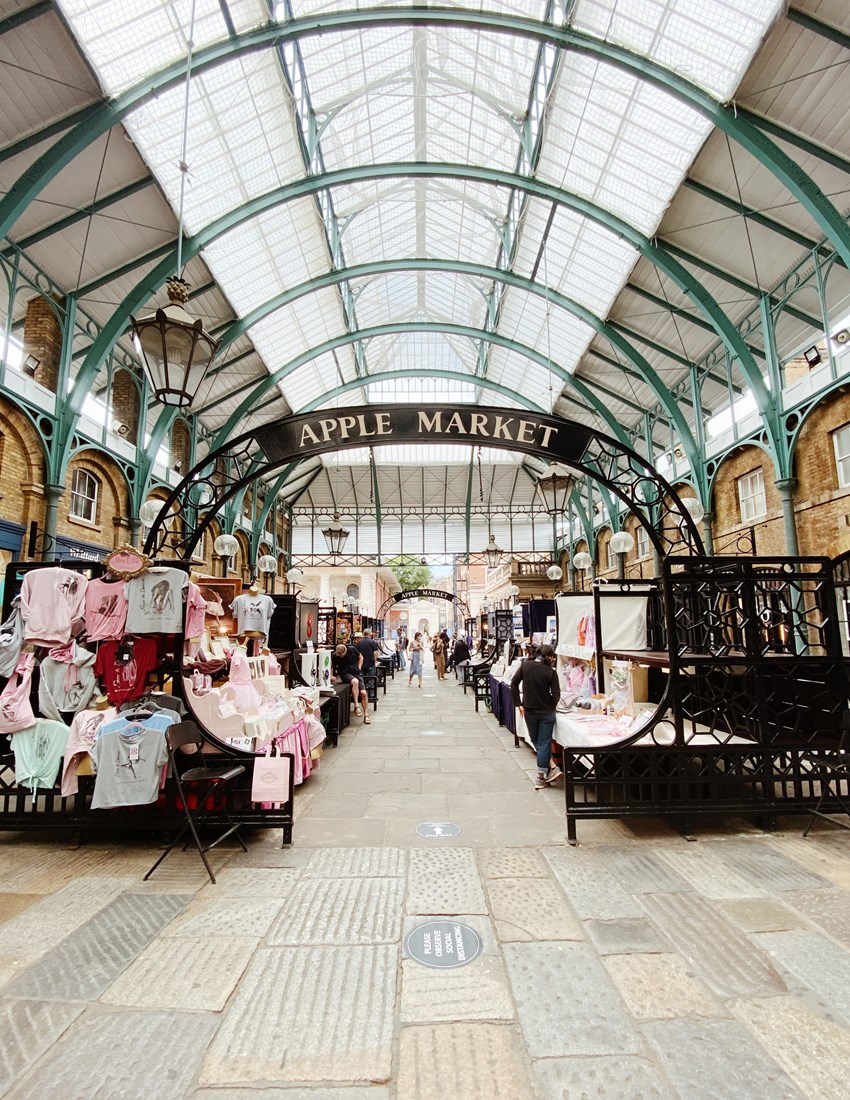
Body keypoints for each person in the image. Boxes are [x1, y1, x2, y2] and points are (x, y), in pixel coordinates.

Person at [511, 643, 562, 789]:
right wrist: (551, 705)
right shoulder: (551, 672)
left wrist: (518, 703)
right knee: (544, 742)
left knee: (537, 741)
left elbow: (514, 684)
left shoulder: (526, 666)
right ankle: (552, 768)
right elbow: (556, 693)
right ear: (549, 656)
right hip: (547, 712)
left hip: (529, 710)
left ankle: (542, 776)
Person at [332, 641, 370, 723]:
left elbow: (361, 657)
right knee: (355, 682)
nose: (341, 657)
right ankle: (356, 706)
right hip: (345, 673)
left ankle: (366, 715)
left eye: (342, 655)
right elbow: (332, 666)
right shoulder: (335, 656)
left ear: (345, 651)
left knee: (363, 693)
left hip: (356, 672)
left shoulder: (352, 649)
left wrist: (359, 667)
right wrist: (332, 675)